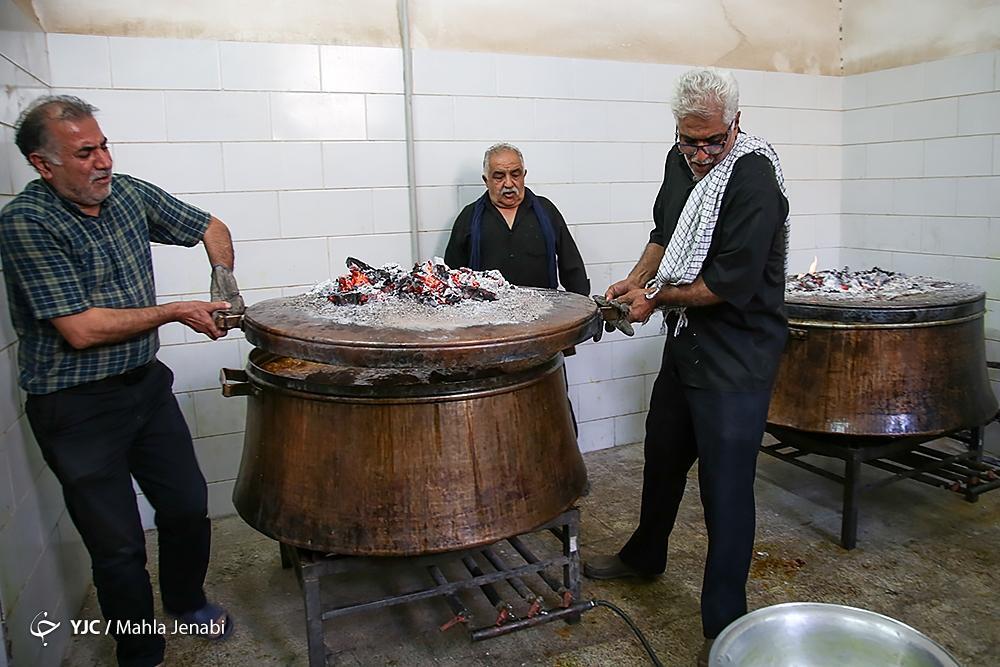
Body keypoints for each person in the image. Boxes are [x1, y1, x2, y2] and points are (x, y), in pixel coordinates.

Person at [0, 95, 244, 667]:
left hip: (143, 387)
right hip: (74, 406)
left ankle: (186, 602)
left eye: (103, 144)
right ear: (44, 164)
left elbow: (209, 225)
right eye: (85, 153)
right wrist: (176, 311)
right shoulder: (26, 224)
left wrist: (224, 282)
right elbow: (81, 329)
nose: (103, 160)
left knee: (186, 506)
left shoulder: (128, 194)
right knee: (117, 545)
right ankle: (139, 650)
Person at [581, 68, 789, 665]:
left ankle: (725, 624)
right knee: (663, 453)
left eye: (712, 142)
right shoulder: (683, 161)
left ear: (736, 125)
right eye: (688, 139)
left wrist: (657, 298)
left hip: (738, 353)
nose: (700, 154)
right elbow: (664, 232)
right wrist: (638, 278)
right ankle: (646, 555)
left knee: (726, 491)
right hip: (689, 343)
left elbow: (727, 283)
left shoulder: (753, 180)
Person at [444, 142, 589, 296]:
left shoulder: (546, 211)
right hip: (487, 313)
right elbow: (452, 277)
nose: (508, 183)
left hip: (543, 311)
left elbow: (572, 266)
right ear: (486, 180)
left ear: (524, 175)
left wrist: (583, 304)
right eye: (499, 176)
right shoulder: (469, 217)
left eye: (515, 174)